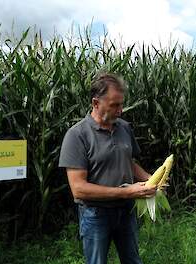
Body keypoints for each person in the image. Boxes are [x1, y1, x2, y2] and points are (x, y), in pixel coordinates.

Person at [59, 72, 156, 264]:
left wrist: (151, 179)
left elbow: (128, 162)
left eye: (121, 104)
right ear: (96, 103)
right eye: (114, 105)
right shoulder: (77, 135)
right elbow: (78, 188)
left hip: (126, 212)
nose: (120, 110)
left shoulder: (124, 128)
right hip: (95, 214)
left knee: (133, 260)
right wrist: (127, 192)